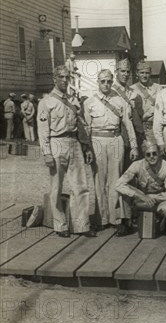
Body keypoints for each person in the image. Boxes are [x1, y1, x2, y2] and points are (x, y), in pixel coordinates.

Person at [37, 66, 95, 237]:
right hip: (56, 142)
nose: (64, 80)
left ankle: (82, 225)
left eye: (67, 77)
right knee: (56, 186)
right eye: (61, 77)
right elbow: (42, 131)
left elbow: (81, 125)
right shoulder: (46, 102)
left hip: (74, 142)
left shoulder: (73, 100)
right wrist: (47, 153)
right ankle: (60, 225)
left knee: (81, 186)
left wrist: (85, 146)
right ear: (54, 79)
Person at [83, 69, 138, 233]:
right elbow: (86, 128)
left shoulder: (120, 101)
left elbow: (128, 124)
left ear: (112, 81)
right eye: (102, 81)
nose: (106, 84)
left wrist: (134, 145)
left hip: (115, 140)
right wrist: (87, 148)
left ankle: (116, 218)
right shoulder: (90, 102)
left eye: (108, 81)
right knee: (99, 181)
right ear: (97, 82)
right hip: (97, 140)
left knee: (115, 180)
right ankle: (101, 219)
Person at [115, 139, 166, 235]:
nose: (152, 157)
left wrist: (152, 198)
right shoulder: (137, 165)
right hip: (141, 200)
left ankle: (161, 224)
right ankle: (126, 223)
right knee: (123, 192)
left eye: (154, 153)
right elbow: (118, 184)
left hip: (158, 200)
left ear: (159, 153)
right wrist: (141, 196)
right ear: (144, 156)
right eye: (148, 154)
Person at [113, 58, 145, 152]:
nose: (125, 74)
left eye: (128, 72)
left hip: (133, 132)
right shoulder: (111, 91)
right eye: (122, 71)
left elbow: (139, 115)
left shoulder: (133, 92)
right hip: (118, 132)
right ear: (116, 72)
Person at [131, 60, 161, 141]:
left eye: (147, 73)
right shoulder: (132, 90)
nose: (144, 75)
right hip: (140, 128)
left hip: (156, 127)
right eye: (142, 73)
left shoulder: (158, 88)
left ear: (150, 73)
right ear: (137, 73)